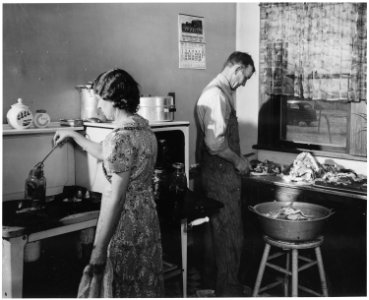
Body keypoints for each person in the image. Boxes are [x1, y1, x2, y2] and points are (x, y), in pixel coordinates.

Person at [53, 68, 164, 297]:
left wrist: (99, 248)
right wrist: (74, 136)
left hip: (126, 221)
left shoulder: (121, 137)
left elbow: (116, 195)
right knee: (143, 282)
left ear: (116, 101)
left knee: (121, 285)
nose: (99, 107)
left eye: (101, 100)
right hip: (147, 216)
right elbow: (108, 154)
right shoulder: (144, 130)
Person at [196, 51, 255, 297]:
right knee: (230, 233)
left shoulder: (217, 91)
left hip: (215, 174)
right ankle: (229, 290)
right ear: (237, 69)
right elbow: (215, 144)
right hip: (221, 175)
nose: (243, 83)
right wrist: (238, 160)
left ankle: (222, 286)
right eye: (245, 78)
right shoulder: (216, 95)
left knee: (221, 232)